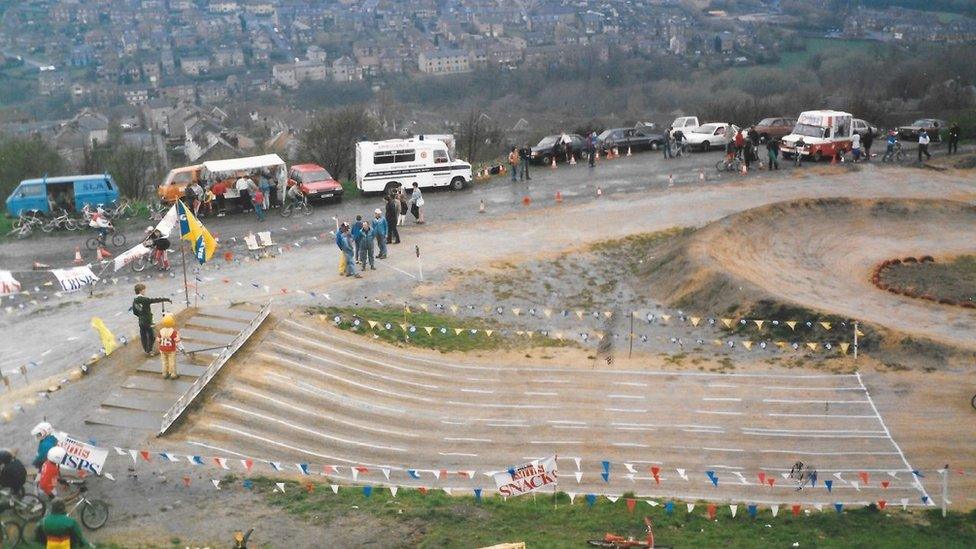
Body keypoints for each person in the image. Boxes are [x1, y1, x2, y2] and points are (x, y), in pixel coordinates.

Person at [132, 283, 171, 354]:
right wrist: (166, 299)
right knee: (151, 336)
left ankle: (146, 350)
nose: (145, 291)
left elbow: (135, 312)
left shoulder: (135, 301)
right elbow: (155, 300)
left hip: (141, 321)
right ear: (141, 291)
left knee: (143, 336)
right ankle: (149, 350)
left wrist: (141, 315)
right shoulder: (145, 299)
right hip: (148, 321)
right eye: (144, 290)